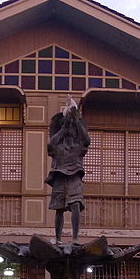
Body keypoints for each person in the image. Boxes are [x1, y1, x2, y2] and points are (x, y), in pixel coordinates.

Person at [45, 97, 90, 244]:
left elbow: (86, 139)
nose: (70, 131)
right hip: (59, 175)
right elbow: (51, 143)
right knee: (59, 208)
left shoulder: (78, 147)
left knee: (75, 203)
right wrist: (63, 129)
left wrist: (76, 121)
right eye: (67, 128)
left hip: (74, 175)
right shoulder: (57, 146)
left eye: (72, 129)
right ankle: (58, 238)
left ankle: (75, 237)